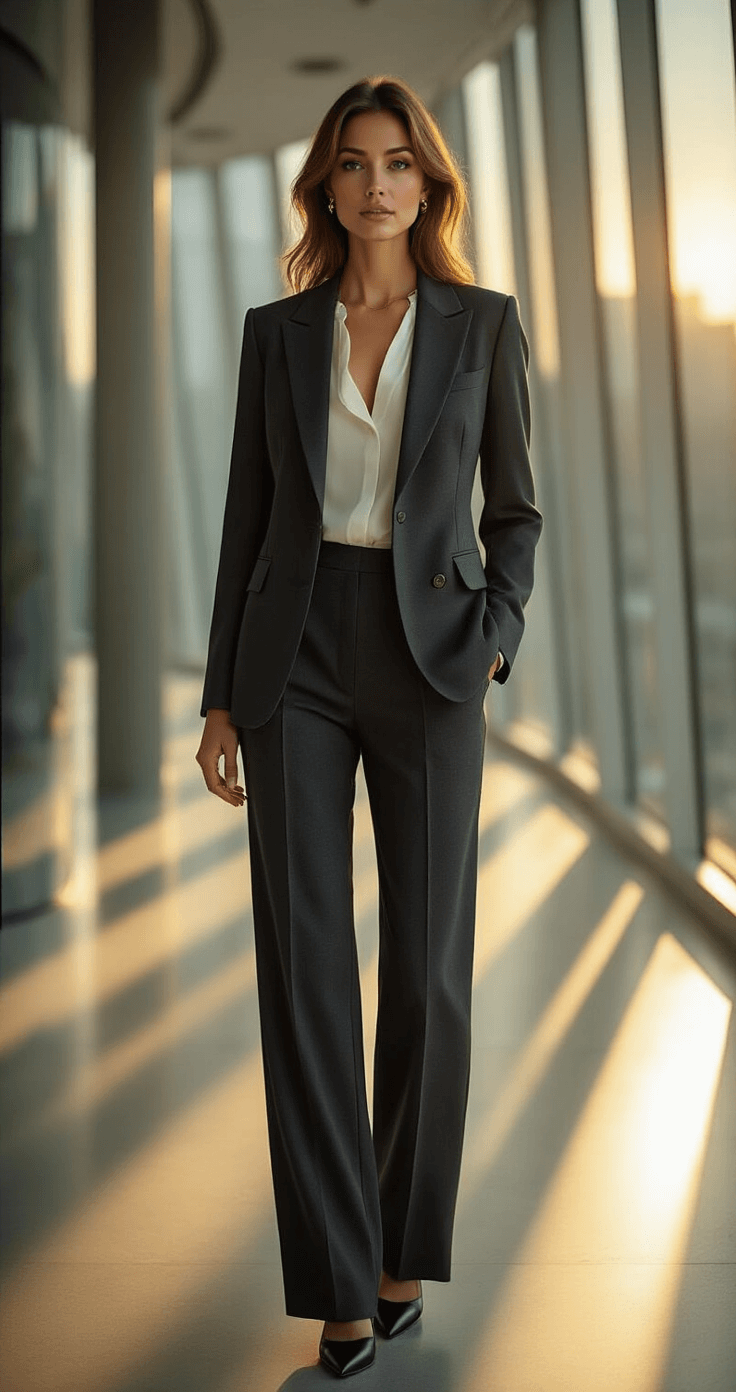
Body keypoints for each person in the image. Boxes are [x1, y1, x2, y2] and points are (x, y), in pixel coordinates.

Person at [195, 74, 543, 1379]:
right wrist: (222, 690)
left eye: (400, 162)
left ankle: (404, 1247)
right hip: (296, 654)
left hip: (432, 652)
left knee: (427, 970)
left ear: (429, 182)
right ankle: (343, 1281)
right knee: (305, 974)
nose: (378, 183)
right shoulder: (274, 332)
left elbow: (518, 510)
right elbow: (244, 517)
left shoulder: (482, 325)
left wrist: (496, 637)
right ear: (327, 185)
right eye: (354, 163)